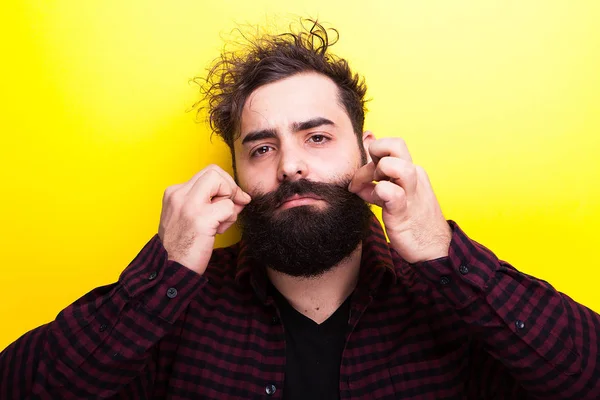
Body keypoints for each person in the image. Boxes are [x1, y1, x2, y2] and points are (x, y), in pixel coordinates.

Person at [1, 19, 599, 400]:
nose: (290, 166)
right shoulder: (178, 313)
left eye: (317, 137)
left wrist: (444, 254)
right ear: (235, 176)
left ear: (367, 156)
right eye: (262, 147)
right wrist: (166, 268)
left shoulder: (447, 307)